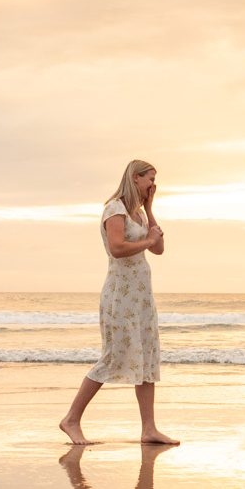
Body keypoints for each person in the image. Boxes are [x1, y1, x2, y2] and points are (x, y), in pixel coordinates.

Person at [59, 159, 179, 446]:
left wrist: (150, 211)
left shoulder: (138, 214)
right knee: (113, 357)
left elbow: (159, 248)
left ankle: (149, 429)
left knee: (148, 358)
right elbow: (117, 249)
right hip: (120, 296)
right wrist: (148, 241)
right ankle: (71, 419)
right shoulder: (115, 209)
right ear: (135, 179)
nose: (154, 185)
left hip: (142, 297)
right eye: (150, 179)